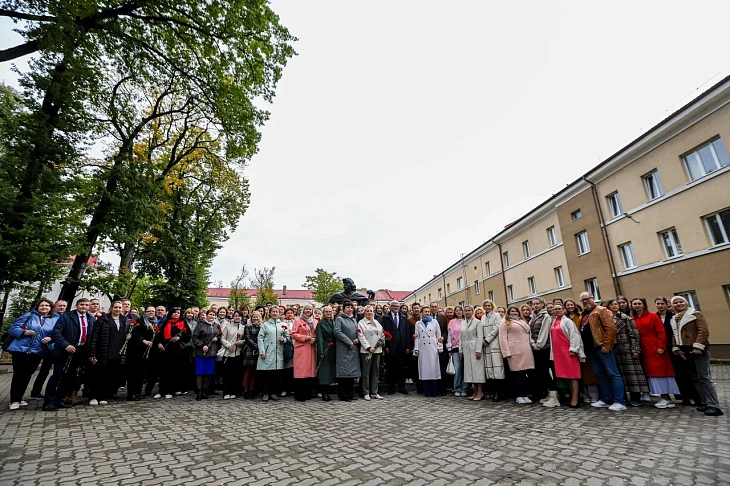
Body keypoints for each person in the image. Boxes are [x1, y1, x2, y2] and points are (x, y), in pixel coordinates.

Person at [670, 296, 723, 416]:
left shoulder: (695, 314)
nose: (679, 304)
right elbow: (675, 334)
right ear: (673, 305)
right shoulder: (675, 318)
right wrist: (676, 348)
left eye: (681, 301)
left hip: (698, 349)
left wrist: (697, 346)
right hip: (685, 349)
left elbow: (703, 331)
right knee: (695, 377)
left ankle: (714, 405)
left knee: (704, 377)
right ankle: (704, 402)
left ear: (686, 303)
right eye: (676, 302)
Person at [43, 298, 96, 411]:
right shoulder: (66, 316)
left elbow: (92, 337)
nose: (84, 307)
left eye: (87, 305)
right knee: (57, 376)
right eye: (82, 304)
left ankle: (60, 399)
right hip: (64, 351)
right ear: (76, 306)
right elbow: (56, 332)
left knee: (69, 377)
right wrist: (65, 345)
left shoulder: (91, 319)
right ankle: (48, 402)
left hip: (80, 352)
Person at [7, 299, 57, 410]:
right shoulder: (28, 315)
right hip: (20, 349)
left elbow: (56, 333)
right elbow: (13, 329)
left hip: (38, 351)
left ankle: (19, 398)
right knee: (18, 374)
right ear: (37, 307)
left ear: (51, 308)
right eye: (42, 305)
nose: (44, 307)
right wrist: (24, 332)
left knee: (27, 375)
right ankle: (14, 400)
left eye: (47, 306)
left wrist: (50, 338)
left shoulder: (53, 320)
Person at [580, 292, 626, 411]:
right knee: (601, 374)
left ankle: (619, 401)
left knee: (612, 373)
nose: (585, 301)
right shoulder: (584, 314)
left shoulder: (601, 310)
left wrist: (607, 345)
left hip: (602, 347)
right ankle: (606, 399)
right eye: (583, 300)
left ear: (592, 298)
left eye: (587, 299)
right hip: (591, 349)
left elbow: (610, 328)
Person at [631, 298, 679, 409]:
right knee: (651, 373)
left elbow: (661, 332)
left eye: (639, 303)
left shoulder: (652, 316)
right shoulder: (632, 318)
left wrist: (661, 346)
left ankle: (666, 397)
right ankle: (660, 396)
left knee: (661, 371)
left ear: (644, 305)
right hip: (642, 347)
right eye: (635, 304)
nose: (637, 306)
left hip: (655, 346)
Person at [605, 298, 649, 407]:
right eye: (613, 304)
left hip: (627, 349)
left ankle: (635, 397)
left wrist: (635, 349)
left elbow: (634, 335)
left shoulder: (625, 318)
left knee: (633, 375)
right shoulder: (607, 319)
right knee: (620, 374)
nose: (615, 306)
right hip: (614, 349)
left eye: (617, 304)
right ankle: (622, 397)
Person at [656, 296, 699, 406]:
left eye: (662, 303)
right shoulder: (655, 316)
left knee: (685, 372)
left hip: (676, 347)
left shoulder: (673, 316)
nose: (660, 306)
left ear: (667, 304)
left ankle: (694, 397)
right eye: (658, 304)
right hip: (662, 348)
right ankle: (683, 397)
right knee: (676, 374)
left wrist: (676, 347)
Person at [87, 301, 129, 406]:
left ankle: (103, 396)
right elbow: (94, 337)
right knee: (98, 375)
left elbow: (126, 334)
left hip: (117, 353)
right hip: (103, 352)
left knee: (109, 376)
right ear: (111, 308)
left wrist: (129, 336)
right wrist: (92, 353)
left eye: (120, 307)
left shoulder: (125, 320)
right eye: (115, 307)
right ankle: (93, 397)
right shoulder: (103, 320)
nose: (118, 309)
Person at [29, 299, 66, 399]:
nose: (62, 307)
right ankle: (36, 391)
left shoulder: (66, 317)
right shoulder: (51, 317)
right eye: (60, 306)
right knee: (44, 370)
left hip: (60, 348)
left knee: (58, 372)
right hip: (49, 348)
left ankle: (54, 392)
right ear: (55, 306)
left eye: (64, 306)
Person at [549, 303, 584, 408]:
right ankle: (569, 397)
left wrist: (573, 349)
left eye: (559, 309)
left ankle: (575, 399)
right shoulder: (554, 321)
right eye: (555, 309)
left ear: (564, 310)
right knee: (565, 376)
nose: (557, 311)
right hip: (558, 353)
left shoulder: (568, 321)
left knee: (573, 375)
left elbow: (574, 335)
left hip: (568, 352)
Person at [498, 306, 534, 404]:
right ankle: (519, 395)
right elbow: (502, 338)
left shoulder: (523, 321)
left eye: (516, 311)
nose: (514, 313)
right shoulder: (505, 322)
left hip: (526, 350)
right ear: (509, 312)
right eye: (512, 311)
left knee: (525, 373)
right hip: (514, 351)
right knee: (518, 375)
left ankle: (525, 395)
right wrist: (506, 352)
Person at [154, 308, 192, 399]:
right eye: (174, 312)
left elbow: (188, 335)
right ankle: (161, 391)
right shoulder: (166, 322)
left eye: (178, 313)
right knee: (164, 371)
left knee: (173, 371)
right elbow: (159, 334)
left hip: (177, 350)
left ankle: (170, 391)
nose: (176, 314)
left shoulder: (183, 323)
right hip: (165, 349)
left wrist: (180, 337)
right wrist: (159, 343)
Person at [529, 298, 558, 407]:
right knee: (541, 373)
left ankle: (554, 396)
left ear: (542, 304)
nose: (535, 305)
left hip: (543, 348)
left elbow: (544, 331)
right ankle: (549, 394)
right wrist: (532, 343)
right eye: (534, 303)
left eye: (537, 303)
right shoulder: (533, 317)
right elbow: (530, 332)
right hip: (535, 347)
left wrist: (539, 345)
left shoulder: (545, 316)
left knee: (546, 372)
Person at [257, 306, 288, 402]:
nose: (275, 313)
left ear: (279, 313)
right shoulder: (265, 325)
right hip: (268, 352)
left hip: (278, 352)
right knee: (266, 373)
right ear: (269, 313)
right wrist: (262, 351)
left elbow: (287, 336)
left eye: (276, 312)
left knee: (276, 374)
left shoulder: (282, 325)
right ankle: (266, 393)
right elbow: (260, 338)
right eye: (273, 312)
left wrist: (285, 339)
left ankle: (273, 392)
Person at [333, 299, 360, 401]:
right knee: (344, 372)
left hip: (353, 348)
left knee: (351, 373)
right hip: (343, 348)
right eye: (348, 307)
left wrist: (357, 338)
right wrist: (349, 342)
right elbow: (337, 332)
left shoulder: (354, 320)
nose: (350, 309)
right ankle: (343, 395)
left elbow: (357, 330)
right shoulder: (339, 319)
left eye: (351, 307)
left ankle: (350, 393)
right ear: (343, 309)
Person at [382, 300, 410, 395]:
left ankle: (401, 387)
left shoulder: (403, 317)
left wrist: (407, 346)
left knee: (402, 368)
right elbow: (383, 332)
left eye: (397, 306)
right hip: (390, 346)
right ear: (390, 307)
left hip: (401, 347)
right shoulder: (385, 318)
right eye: (394, 306)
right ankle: (391, 387)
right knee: (391, 368)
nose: (396, 307)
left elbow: (407, 332)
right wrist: (385, 346)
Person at [413, 306, 443, 397]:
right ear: (421, 312)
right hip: (423, 348)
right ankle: (427, 391)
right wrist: (416, 348)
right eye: (425, 311)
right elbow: (416, 337)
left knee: (433, 369)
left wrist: (440, 347)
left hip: (433, 347)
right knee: (424, 370)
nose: (427, 313)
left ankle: (435, 391)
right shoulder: (418, 323)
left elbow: (439, 335)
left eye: (428, 311)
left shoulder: (434, 322)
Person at [192, 308, 221, 400]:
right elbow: (194, 338)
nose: (212, 316)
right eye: (210, 314)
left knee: (208, 372)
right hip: (201, 352)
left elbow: (220, 335)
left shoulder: (217, 325)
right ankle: (199, 391)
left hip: (212, 352)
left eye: (213, 315)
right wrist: (202, 345)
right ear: (207, 315)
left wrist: (218, 338)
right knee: (200, 372)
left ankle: (205, 391)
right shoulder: (200, 325)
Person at [357, 305, 385, 400]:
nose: (370, 312)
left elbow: (382, 333)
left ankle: (374, 392)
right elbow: (361, 336)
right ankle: (366, 392)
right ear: (364, 312)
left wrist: (382, 341)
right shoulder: (361, 323)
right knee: (366, 372)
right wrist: (368, 347)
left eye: (371, 311)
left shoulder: (377, 322)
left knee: (376, 371)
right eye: (368, 311)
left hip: (377, 350)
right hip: (366, 351)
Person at [128, 306, 155, 401]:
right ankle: (131, 393)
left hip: (147, 351)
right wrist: (143, 340)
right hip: (137, 350)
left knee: (141, 372)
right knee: (134, 372)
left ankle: (138, 392)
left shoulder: (154, 322)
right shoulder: (140, 321)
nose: (151, 313)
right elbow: (135, 333)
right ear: (145, 312)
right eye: (149, 311)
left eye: (153, 311)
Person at [291, 304, 318, 402]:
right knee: (300, 372)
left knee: (310, 372)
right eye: (306, 309)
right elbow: (293, 334)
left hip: (311, 348)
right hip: (301, 348)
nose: (308, 311)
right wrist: (304, 338)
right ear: (303, 310)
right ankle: (299, 394)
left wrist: (314, 339)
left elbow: (317, 333)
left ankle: (308, 393)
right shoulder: (298, 321)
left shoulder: (315, 321)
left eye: (310, 309)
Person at [480, 299, 505, 402]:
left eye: (489, 305)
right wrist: (482, 340)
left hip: (494, 344)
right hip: (486, 346)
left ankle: (500, 393)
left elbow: (496, 329)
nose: (487, 307)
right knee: (489, 370)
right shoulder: (483, 317)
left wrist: (487, 339)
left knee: (497, 369)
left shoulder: (496, 315)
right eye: (485, 305)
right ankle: (493, 391)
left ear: (492, 306)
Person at [460, 305, 485, 401]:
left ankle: (480, 391)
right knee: (470, 371)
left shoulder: (477, 322)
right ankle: (475, 391)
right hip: (466, 349)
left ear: (472, 311)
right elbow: (461, 337)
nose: (467, 312)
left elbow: (480, 337)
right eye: (465, 310)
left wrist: (478, 350)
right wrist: (460, 349)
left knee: (477, 370)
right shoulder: (462, 323)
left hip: (475, 348)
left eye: (469, 310)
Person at [220, 310, 245, 399]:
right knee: (227, 374)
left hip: (238, 354)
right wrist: (228, 345)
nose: (237, 317)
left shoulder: (243, 328)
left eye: (239, 316)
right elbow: (222, 338)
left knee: (236, 375)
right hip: (228, 353)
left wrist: (240, 342)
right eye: (235, 315)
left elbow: (245, 340)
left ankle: (234, 391)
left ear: (241, 317)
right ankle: (226, 392)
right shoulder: (228, 326)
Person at [315, 306, 336, 401]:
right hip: (325, 347)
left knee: (330, 371)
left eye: (330, 311)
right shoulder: (321, 323)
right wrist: (321, 351)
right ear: (323, 313)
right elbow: (319, 338)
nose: (328, 313)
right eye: (326, 311)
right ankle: (324, 393)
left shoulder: (333, 322)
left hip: (333, 348)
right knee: (324, 372)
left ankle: (328, 391)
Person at [446, 306, 466, 397]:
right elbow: (449, 335)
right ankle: (457, 388)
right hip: (455, 347)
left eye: (460, 310)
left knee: (466, 368)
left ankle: (465, 388)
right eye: (456, 310)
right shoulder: (452, 322)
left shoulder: (466, 321)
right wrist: (449, 347)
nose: (458, 312)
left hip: (466, 347)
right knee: (457, 368)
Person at [242, 310, 262, 399]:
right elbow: (247, 338)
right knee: (248, 371)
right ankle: (246, 390)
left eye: (257, 317)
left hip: (259, 350)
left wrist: (259, 348)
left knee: (254, 372)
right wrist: (256, 346)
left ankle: (252, 390)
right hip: (250, 349)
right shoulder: (248, 326)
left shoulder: (262, 326)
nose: (255, 318)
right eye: (254, 317)